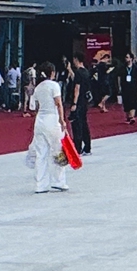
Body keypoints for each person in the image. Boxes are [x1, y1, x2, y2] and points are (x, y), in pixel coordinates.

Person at [28, 62, 70, 193]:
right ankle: (59, 181)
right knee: (58, 150)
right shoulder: (54, 85)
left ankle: (40, 185)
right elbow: (58, 103)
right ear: (52, 72)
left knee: (41, 153)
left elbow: (33, 107)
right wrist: (62, 120)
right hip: (52, 120)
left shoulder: (38, 87)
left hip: (40, 121)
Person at [69, 56, 93, 156]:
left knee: (77, 125)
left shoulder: (79, 72)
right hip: (84, 101)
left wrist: (74, 103)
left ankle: (77, 148)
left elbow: (77, 88)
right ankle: (87, 146)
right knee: (84, 123)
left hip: (78, 101)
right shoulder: (86, 72)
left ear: (77, 60)